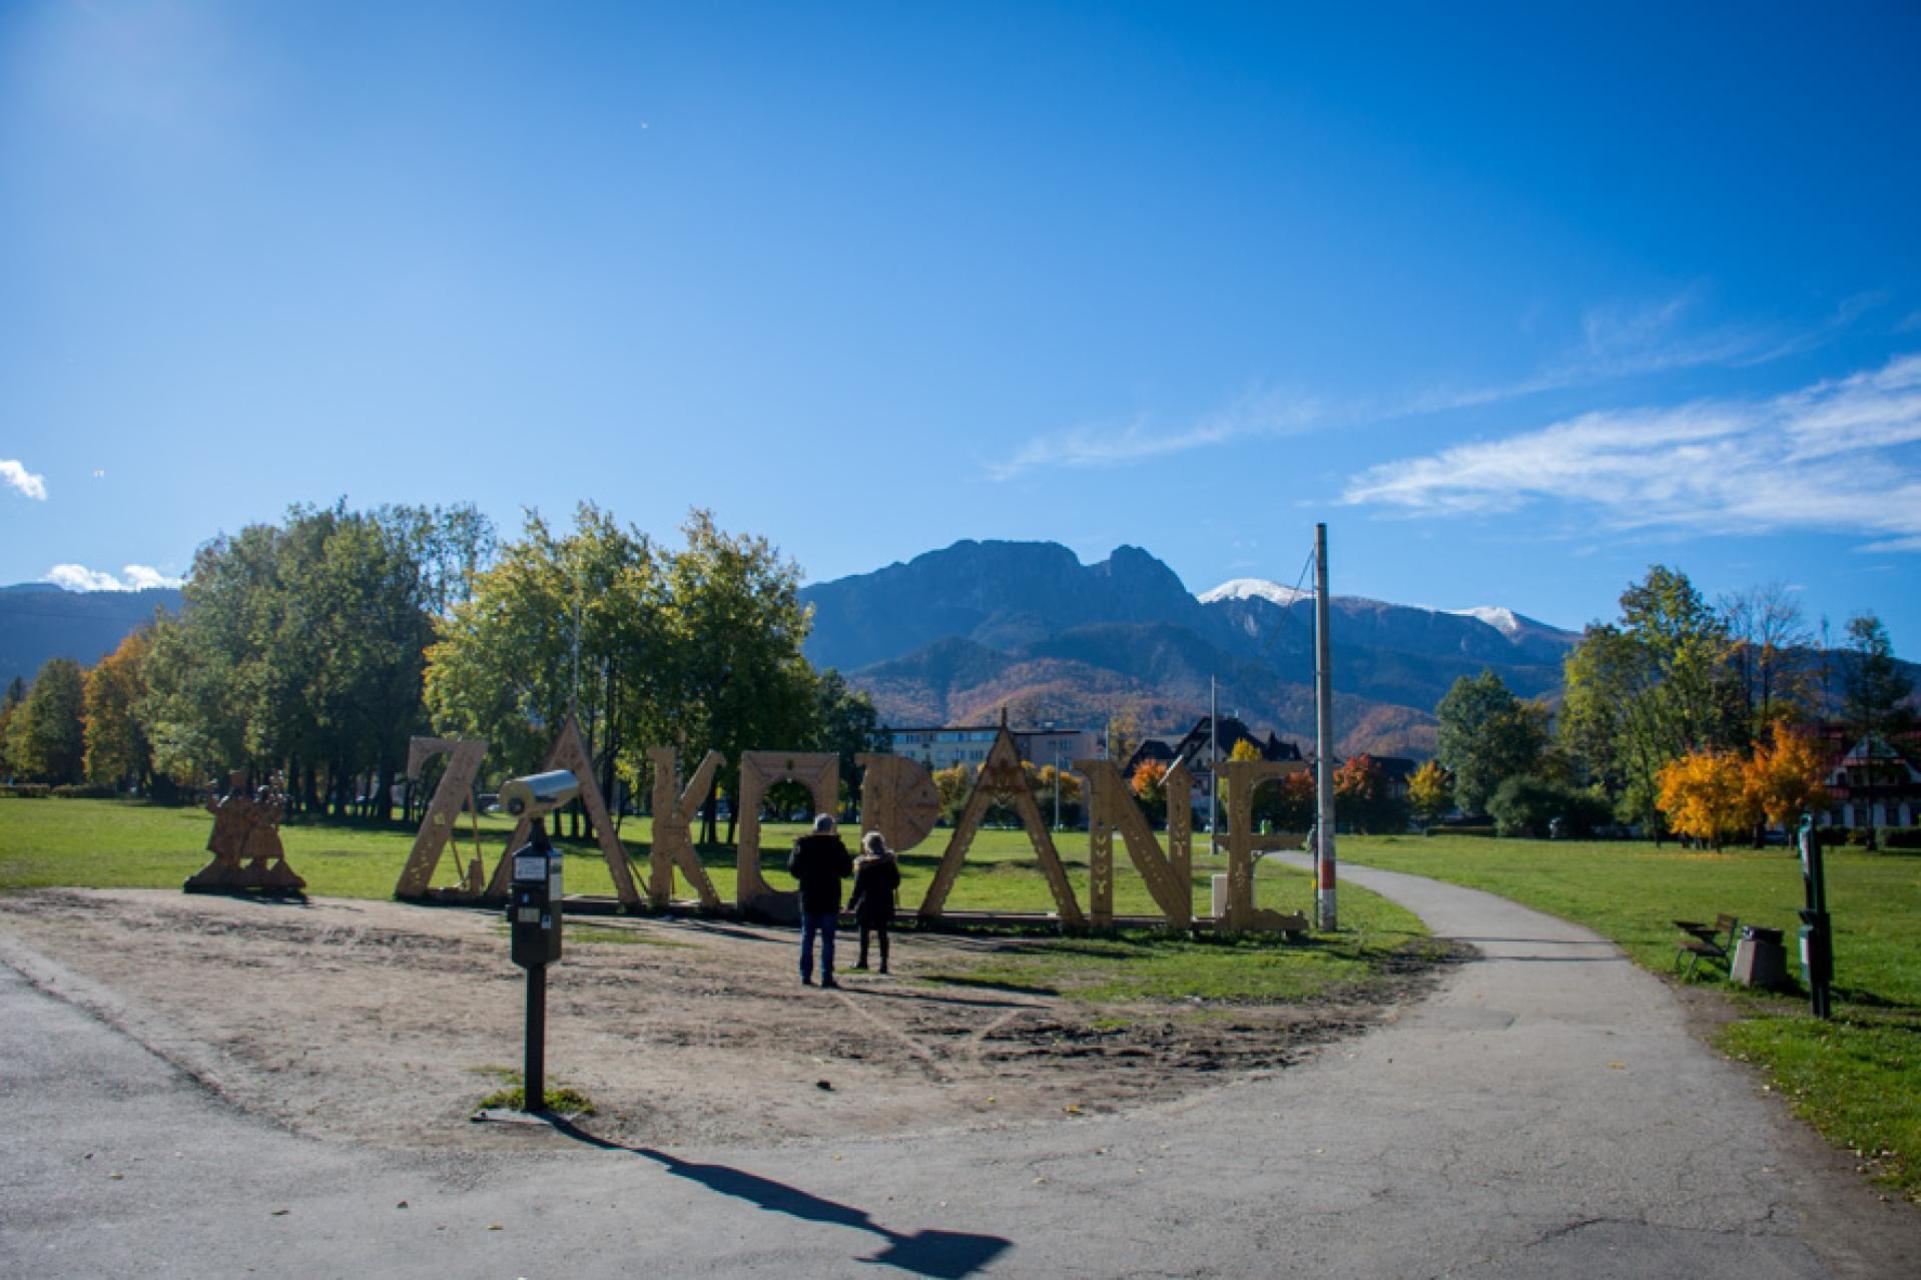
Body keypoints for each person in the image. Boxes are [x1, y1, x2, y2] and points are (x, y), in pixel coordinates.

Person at [787, 813, 853, 988]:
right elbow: (847, 870)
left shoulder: (803, 844)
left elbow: (793, 869)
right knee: (827, 939)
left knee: (807, 937)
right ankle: (826, 976)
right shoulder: (837, 846)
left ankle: (805, 974)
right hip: (830, 896)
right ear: (830, 827)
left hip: (809, 895)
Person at [847, 830, 902, 973]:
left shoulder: (864, 865)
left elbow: (858, 888)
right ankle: (884, 963)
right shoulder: (889, 863)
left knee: (864, 931)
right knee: (882, 932)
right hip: (884, 900)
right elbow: (895, 882)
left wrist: (851, 904)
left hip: (867, 902)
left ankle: (863, 960)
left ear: (867, 846)